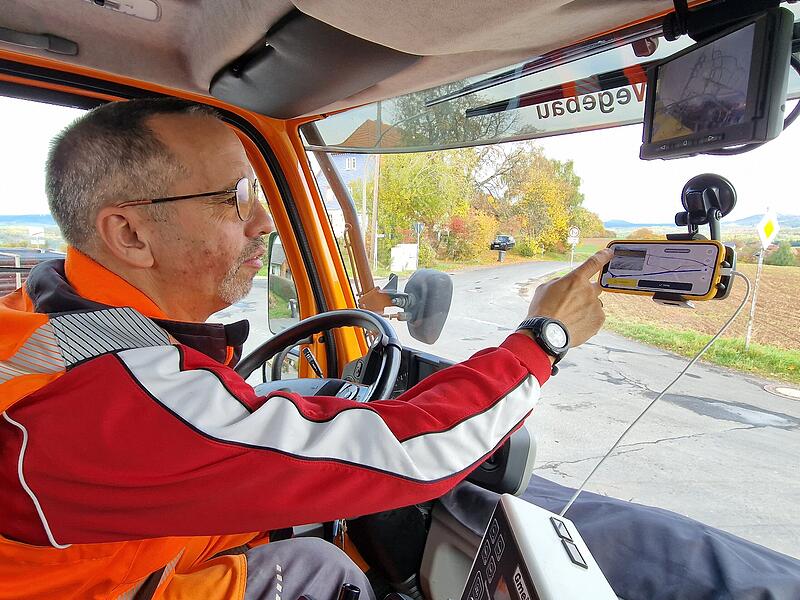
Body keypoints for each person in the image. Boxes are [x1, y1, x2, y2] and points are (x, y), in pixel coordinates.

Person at [0, 98, 610, 600]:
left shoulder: (52, 311)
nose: (262, 221)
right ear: (130, 234)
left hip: (96, 563)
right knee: (327, 572)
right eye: (234, 198)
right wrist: (542, 340)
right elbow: (419, 456)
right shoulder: (111, 400)